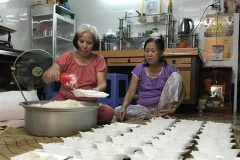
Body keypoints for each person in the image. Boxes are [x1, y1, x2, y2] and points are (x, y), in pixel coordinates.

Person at [42, 24, 114, 124]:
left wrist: (96, 89)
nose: (84, 46)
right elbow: (45, 78)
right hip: (65, 100)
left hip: (88, 103)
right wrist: (53, 74)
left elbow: (102, 83)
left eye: (89, 43)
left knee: (108, 113)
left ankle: (72, 119)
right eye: (81, 41)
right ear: (76, 41)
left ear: (95, 44)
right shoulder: (67, 57)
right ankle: (80, 120)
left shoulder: (99, 59)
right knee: (49, 114)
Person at [115, 37, 186, 121]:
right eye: (146, 51)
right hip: (143, 108)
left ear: (161, 52)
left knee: (176, 76)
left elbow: (183, 93)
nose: (149, 54)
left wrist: (174, 108)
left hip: (161, 106)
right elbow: (130, 92)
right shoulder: (139, 68)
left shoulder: (169, 68)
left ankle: (165, 113)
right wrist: (123, 108)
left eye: (153, 51)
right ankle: (153, 116)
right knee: (117, 110)